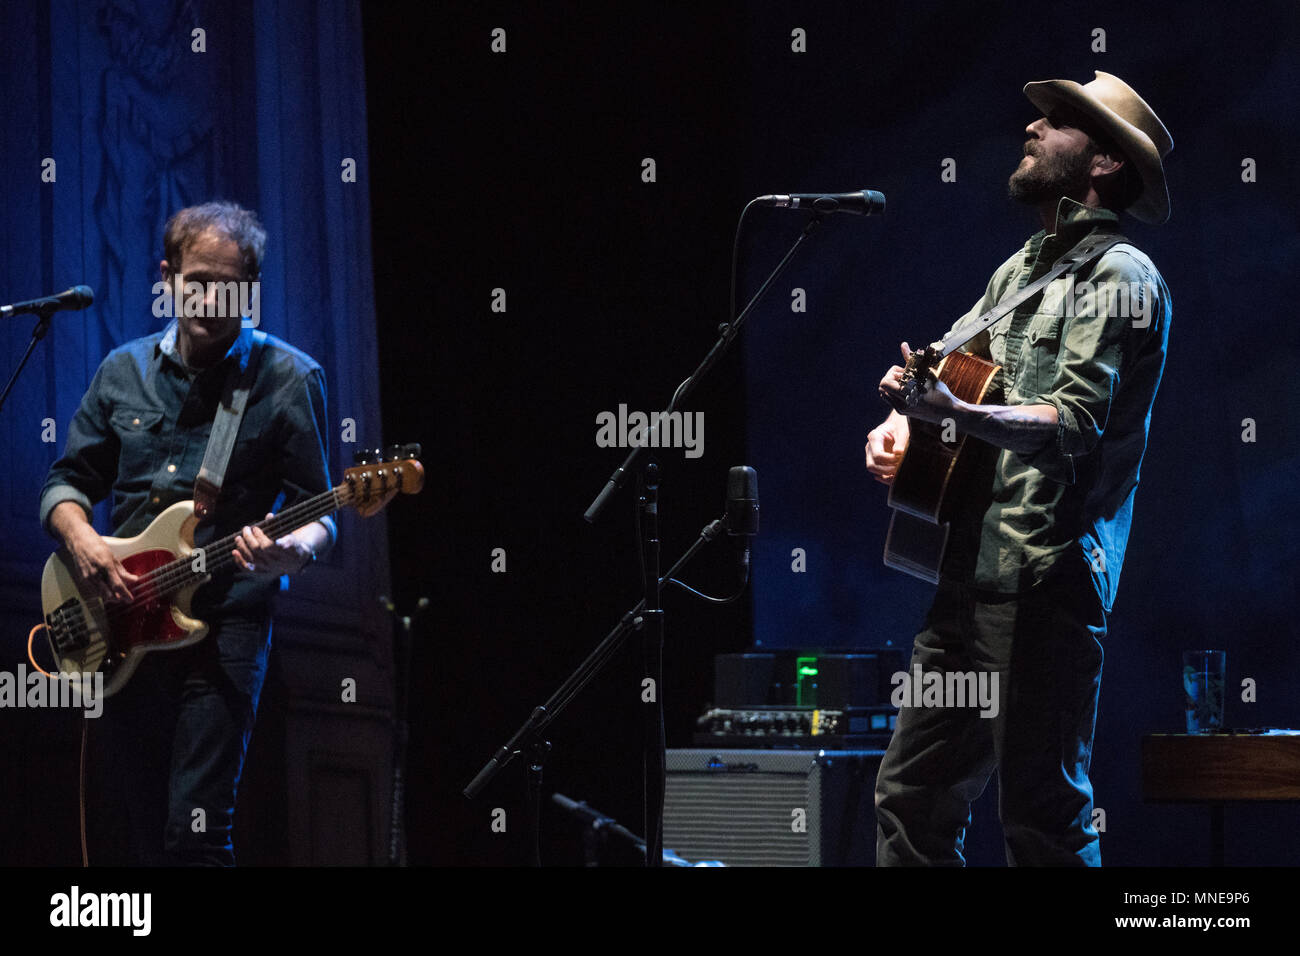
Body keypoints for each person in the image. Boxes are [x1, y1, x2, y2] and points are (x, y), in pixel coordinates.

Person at [865, 72, 1173, 866]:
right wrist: (901, 417)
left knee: (1041, 817)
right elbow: (946, 367)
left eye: (1056, 123)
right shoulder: (1019, 270)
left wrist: (961, 416)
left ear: (1104, 162)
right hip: (965, 581)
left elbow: (1072, 423)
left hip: (1044, 589)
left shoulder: (1121, 278)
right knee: (912, 797)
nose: (1031, 130)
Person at [40, 200, 336, 865]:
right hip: (124, 621)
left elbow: (322, 511)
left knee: (195, 833)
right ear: (167, 274)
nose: (211, 297)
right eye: (197, 278)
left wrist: (293, 550)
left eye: (230, 285)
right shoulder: (123, 371)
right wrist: (81, 540)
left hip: (225, 624)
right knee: (140, 828)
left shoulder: (288, 378)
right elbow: (65, 483)